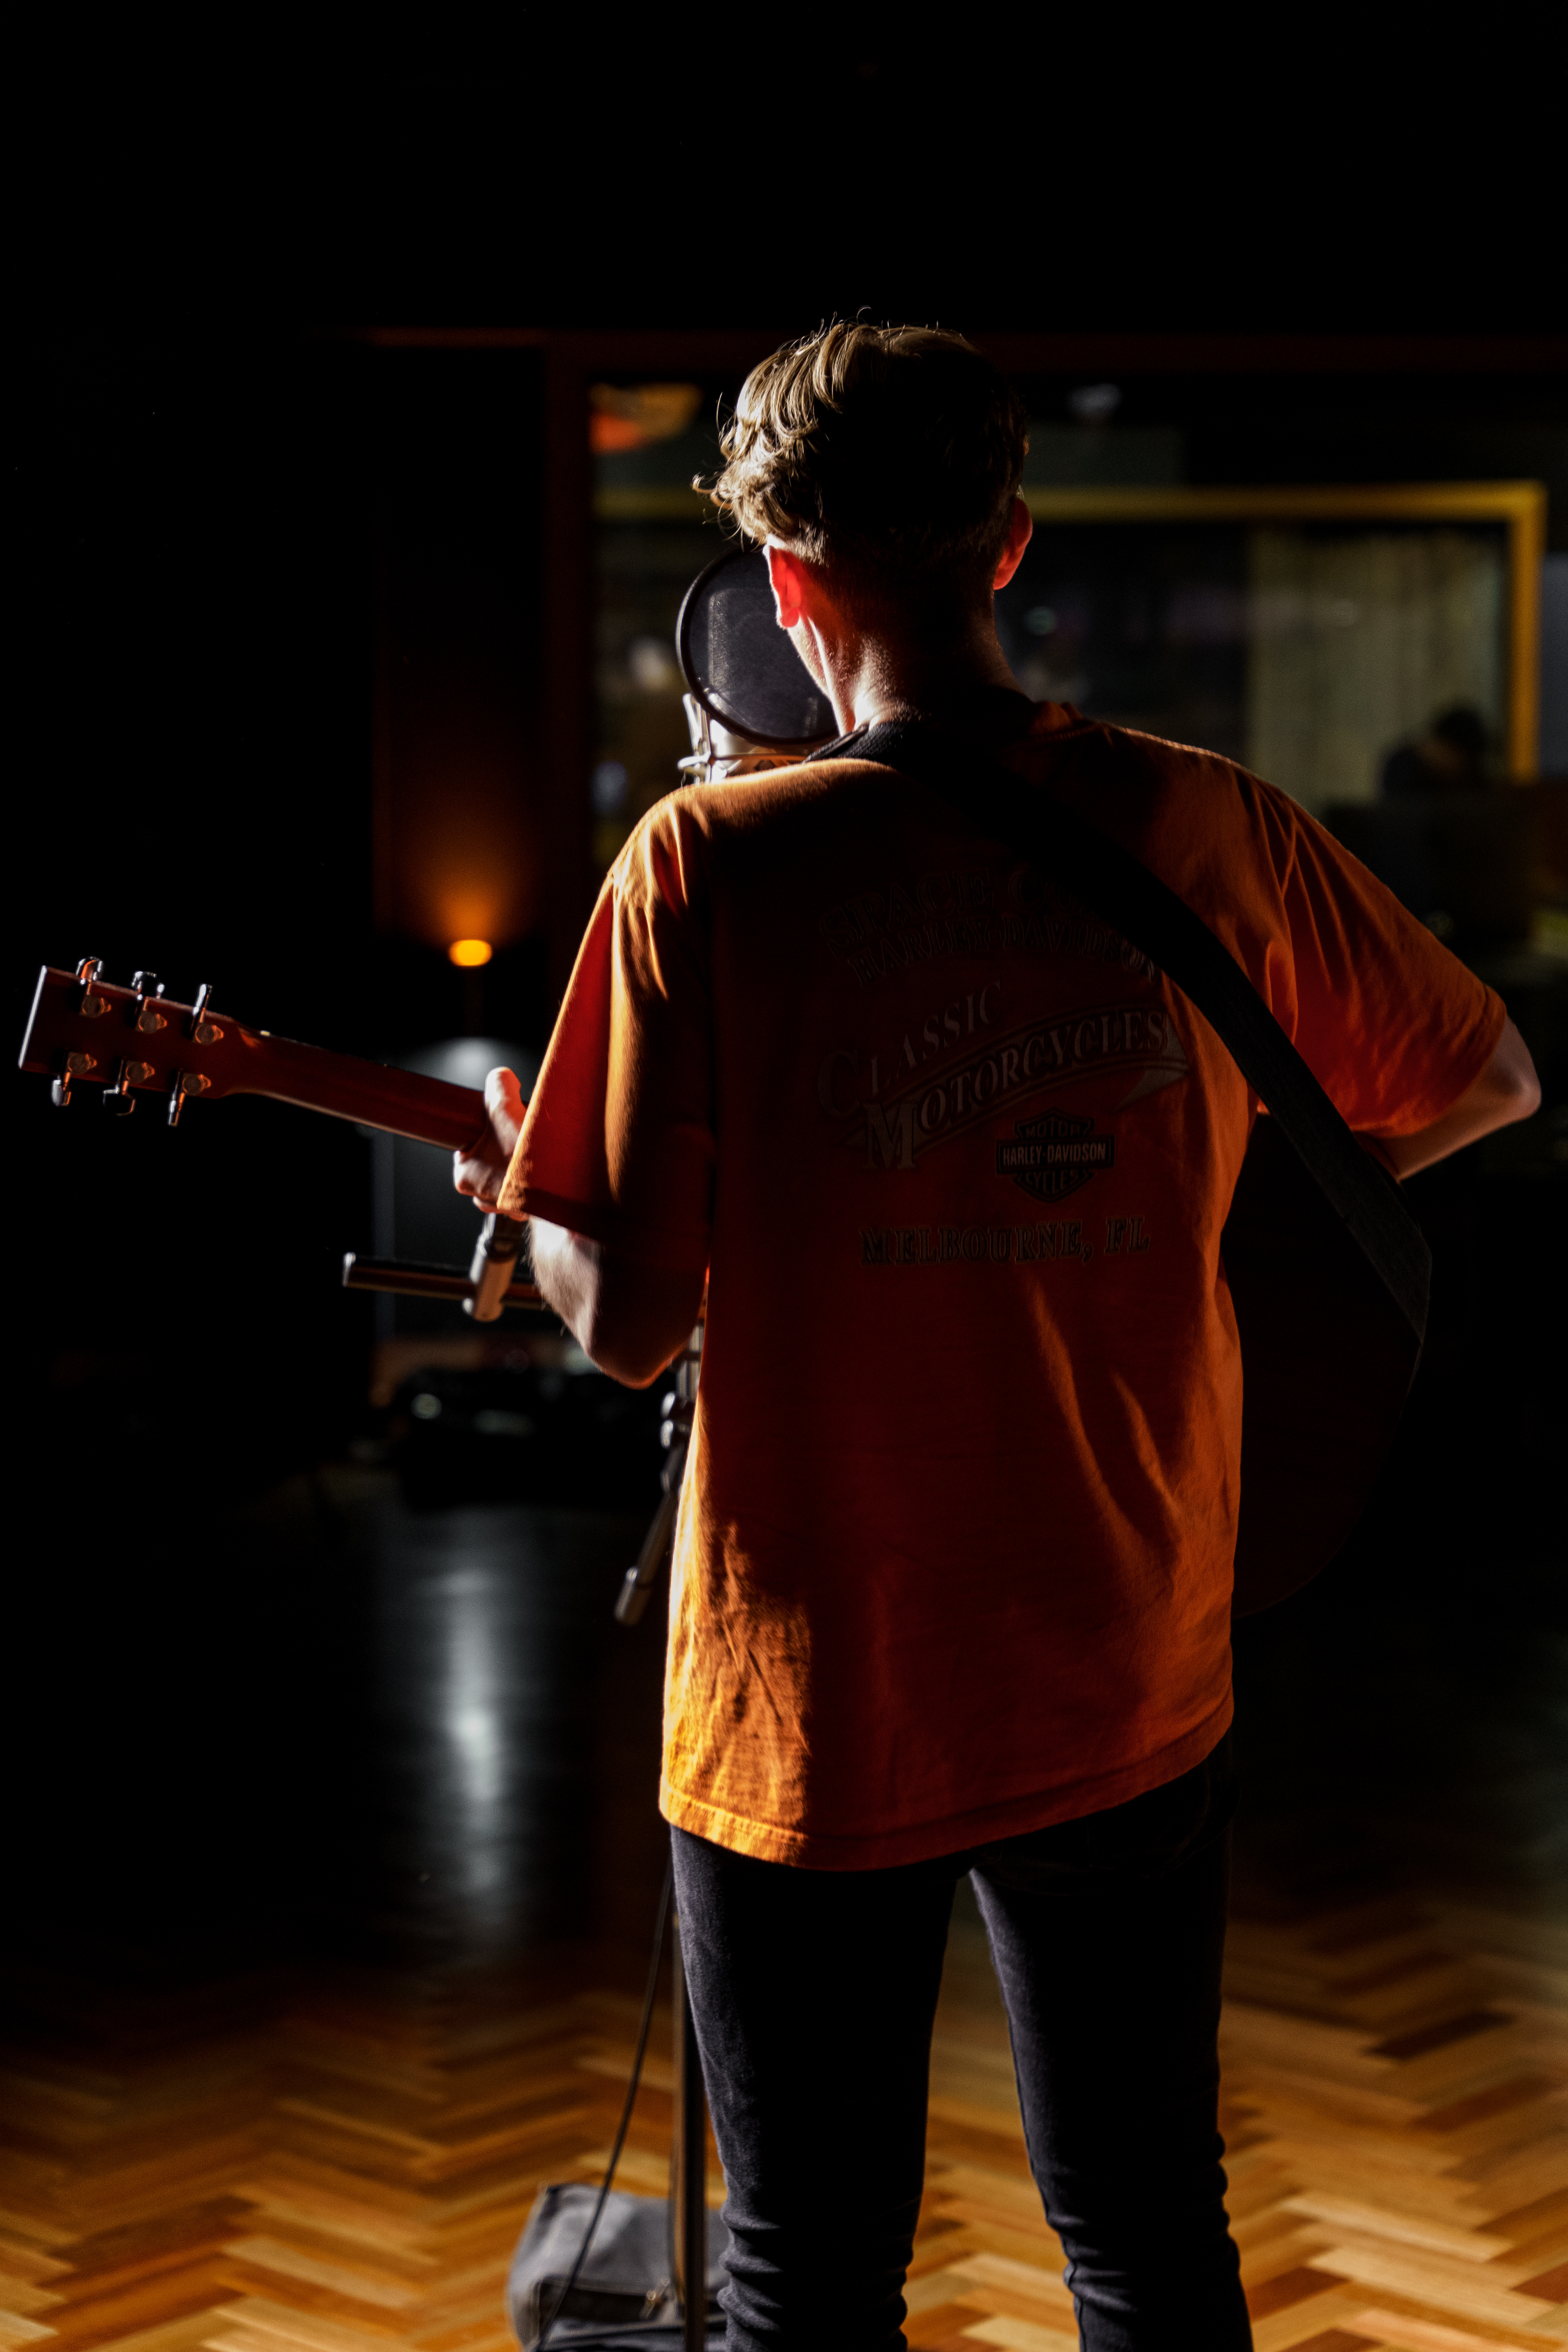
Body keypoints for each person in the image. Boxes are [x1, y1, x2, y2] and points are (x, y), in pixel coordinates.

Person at [454, 325, 1541, 2352]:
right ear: (1013, 544)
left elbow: (629, 1333)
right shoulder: (1201, 821)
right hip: (1124, 1641)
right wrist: (1213, 1190)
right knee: (1146, 2238)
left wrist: (530, 1196)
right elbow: (1484, 1078)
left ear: (783, 580)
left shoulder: (704, 866)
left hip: (813, 1690)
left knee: (804, 2277)